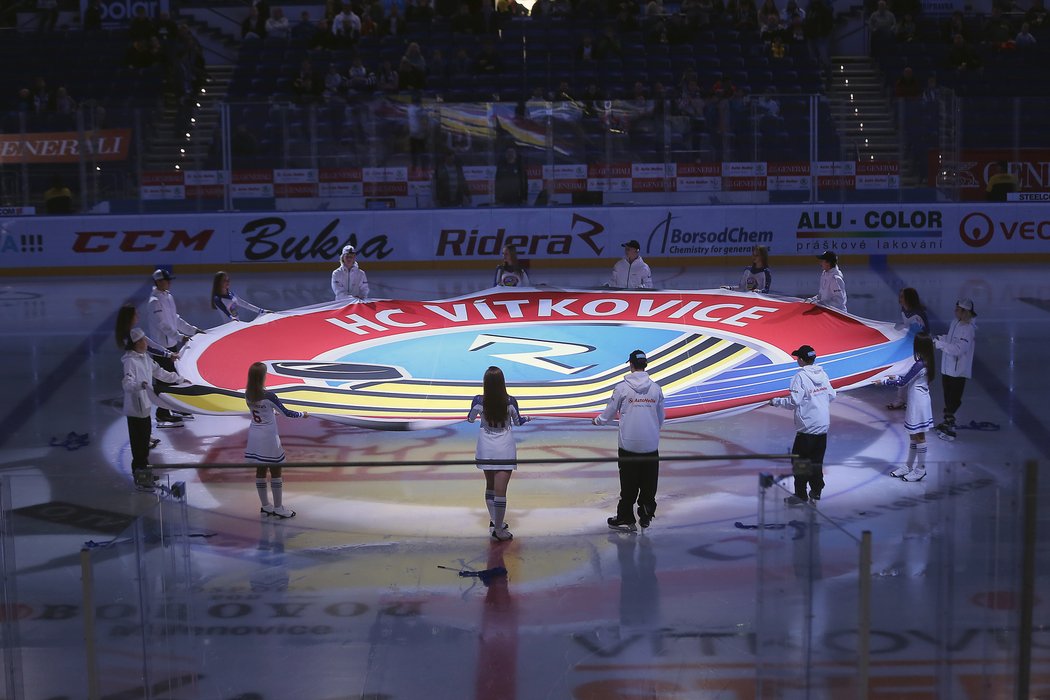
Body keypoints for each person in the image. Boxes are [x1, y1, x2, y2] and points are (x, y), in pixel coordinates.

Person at [592, 349, 665, 532]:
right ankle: (646, 514)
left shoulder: (622, 388)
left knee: (629, 484)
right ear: (645, 365)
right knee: (649, 483)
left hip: (629, 445)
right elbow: (661, 418)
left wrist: (597, 421)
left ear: (631, 365)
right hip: (650, 445)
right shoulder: (656, 389)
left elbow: (609, 413)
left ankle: (625, 516)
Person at [467, 366, 530, 541]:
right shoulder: (510, 401)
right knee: (501, 491)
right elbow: (517, 422)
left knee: (490, 486)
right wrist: (527, 419)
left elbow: (470, 419)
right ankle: (498, 529)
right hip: (504, 447)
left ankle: (496, 522)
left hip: (486, 446)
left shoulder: (479, 400)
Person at [769, 344, 836, 506]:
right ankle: (816, 491)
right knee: (816, 461)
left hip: (807, 427)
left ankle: (801, 495)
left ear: (801, 359)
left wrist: (776, 402)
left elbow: (794, 401)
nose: (796, 359)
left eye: (797, 357)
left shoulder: (800, 377)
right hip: (822, 425)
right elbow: (832, 395)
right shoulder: (822, 373)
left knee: (800, 463)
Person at [122, 328, 185, 489]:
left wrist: (180, 379)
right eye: (142, 341)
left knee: (144, 445)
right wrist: (140, 385)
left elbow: (160, 373)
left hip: (145, 407)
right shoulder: (130, 361)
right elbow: (127, 384)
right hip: (135, 410)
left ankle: (144, 474)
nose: (145, 343)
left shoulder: (146, 359)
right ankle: (140, 476)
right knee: (139, 447)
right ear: (135, 344)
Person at [245, 361, 309, 518]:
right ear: (262, 377)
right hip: (268, 437)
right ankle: (279, 508)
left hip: (254, 435)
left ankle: (266, 506)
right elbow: (287, 413)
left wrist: (271, 413)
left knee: (260, 470)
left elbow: (259, 410)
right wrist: (303, 414)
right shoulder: (269, 396)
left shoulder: (248, 393)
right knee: (275, 470)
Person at [875, 333, 935, 482]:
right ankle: (908, 466)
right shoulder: (927, 362)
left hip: (918, 404)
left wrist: (883, 382)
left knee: (919, 436)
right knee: (913, 435)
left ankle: (920, 469)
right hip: (918, 401)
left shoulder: (920, 364)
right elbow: (907, 379)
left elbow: (903, 383)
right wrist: (894, 378)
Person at [148, 269, 203, 427]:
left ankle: (174, 407)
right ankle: (162, 413)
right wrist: (180, 336)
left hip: (171, 343)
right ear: (158, 282)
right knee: (163, 379)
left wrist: (192, 330)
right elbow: (162, 325)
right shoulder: (154, 302)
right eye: (166, 280)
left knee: (173, 377)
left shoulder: (168, 296)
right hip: (161, 346)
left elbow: (175, 319)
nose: (169, 282)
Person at [933, 299, 977, 441]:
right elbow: (951, 339)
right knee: (947, 396)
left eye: (958, 309)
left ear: (965, 312)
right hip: (947, 368)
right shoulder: (955, 322)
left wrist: (940, 344)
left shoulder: (968, 329)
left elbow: (959, 349)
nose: (955, 311)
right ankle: (947, 421)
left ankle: (950, 426)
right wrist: (940, 338)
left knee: (953, 399)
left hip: (958, 371)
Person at [887, 287, 930, 410]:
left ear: (908, 299)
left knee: (914, 373)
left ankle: (917, 400)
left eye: (902, 296)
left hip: (919, 348)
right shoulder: (904, 310)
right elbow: (907, 326)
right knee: (903, 371)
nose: (899, 299)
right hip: (909, 345)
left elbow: (925, 332)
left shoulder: (918, 315)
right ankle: (900, 399)